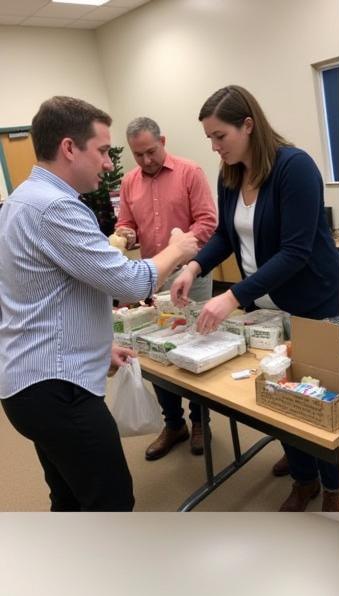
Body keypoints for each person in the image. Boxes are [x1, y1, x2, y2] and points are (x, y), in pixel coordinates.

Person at [0, 96, 199, 511]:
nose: (110, 163)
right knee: (110, 502)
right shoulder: (56, 208)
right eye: (104, 151)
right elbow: (130, 282)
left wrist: (97, 346)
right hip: (57, 391)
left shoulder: (22, 199)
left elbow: (42, 296)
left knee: (71, 497)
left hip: (31, 382)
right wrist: (178, 249)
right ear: (70, 148)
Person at [170, 85, 339, 512]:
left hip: (312, 306)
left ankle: (334, 488)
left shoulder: (294, 167)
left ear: (248, 125)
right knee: (281, 398)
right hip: (266, 307)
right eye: (209, 138)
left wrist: (233, 298)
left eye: (220, 136)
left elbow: (296, 250)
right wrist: (194, 267)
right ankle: (304, 478)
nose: (214, 147)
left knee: (320, 404)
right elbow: (226, 235)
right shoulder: (231, 174)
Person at [114, 115, 217, 462]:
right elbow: (126, 223)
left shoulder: (190, 172)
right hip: (151, 277)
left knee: (196, 345)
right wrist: (126, 234)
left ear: (163, 140)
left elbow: (208, 221)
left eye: (151, 152)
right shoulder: (130, 182)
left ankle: (200, 421)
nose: (145, 161)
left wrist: (183, 251)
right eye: (138, 154)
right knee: (157, 349)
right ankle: (174, 424)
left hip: (192, 273)